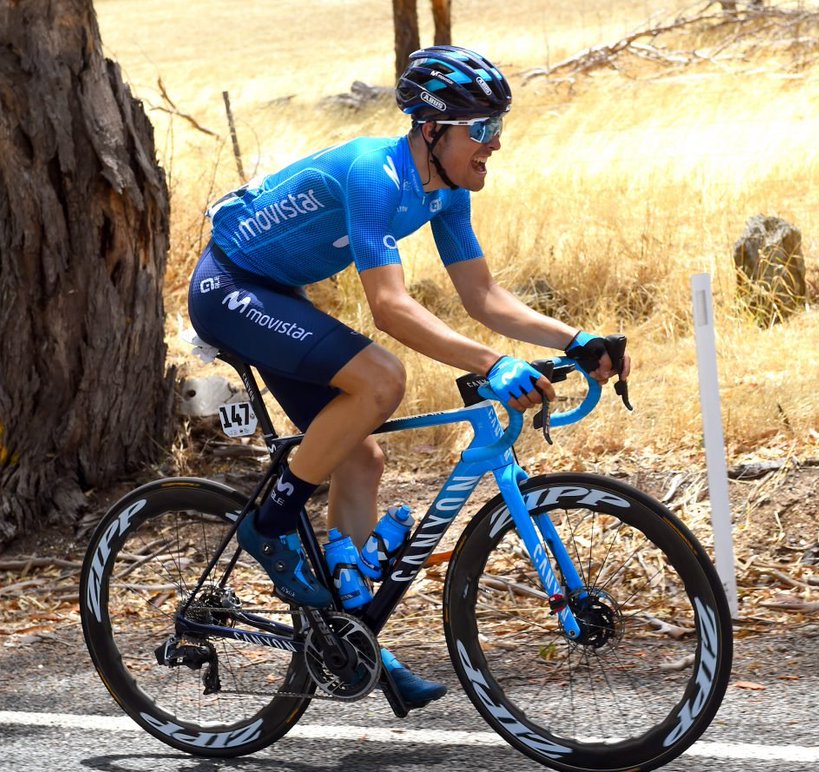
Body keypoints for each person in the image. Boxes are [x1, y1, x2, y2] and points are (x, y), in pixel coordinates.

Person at [187, 45, 630, 708]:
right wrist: (490, 361)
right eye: (480, 130)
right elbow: (389, 307)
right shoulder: (377, 173)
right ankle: (268, 523)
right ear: (433, 129)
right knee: (382, 379)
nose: (495, 144)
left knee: (360, 456)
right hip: (230, 286)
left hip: (275, 292)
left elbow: (483, 296)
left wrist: (576, 339)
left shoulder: (445, 193)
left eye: (497, 127)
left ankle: (349, 637)